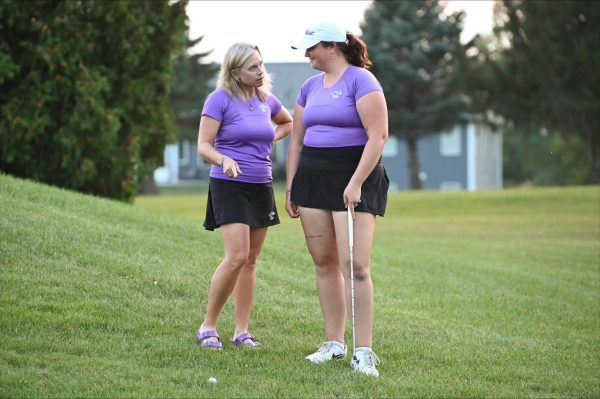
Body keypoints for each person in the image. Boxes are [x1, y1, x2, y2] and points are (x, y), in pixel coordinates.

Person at [286, 21, 389, 377]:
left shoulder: (362, 81)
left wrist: (357, 182)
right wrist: (291, 187)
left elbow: (378, 136)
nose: (307, 54)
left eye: (312, 47)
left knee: (356, 265)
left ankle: (364, 351)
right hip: (313, 178)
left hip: (354, 177)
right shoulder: (309, 87)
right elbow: (296, 141)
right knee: (323, 262)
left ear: (332, 46)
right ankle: (334, 343)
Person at [196, 42, 293, 349]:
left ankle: (241, 331)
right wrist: (223, 159)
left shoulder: (266, 100)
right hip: (229, 185)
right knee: (237, 256)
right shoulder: (219, 99)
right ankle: (208, 326)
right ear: (235, 73)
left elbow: (288, 122)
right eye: (253, 67)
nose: (260, 71)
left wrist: (270, 140)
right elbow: (203, 145)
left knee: (251, 260)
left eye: (261, 65)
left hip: (261, 184)